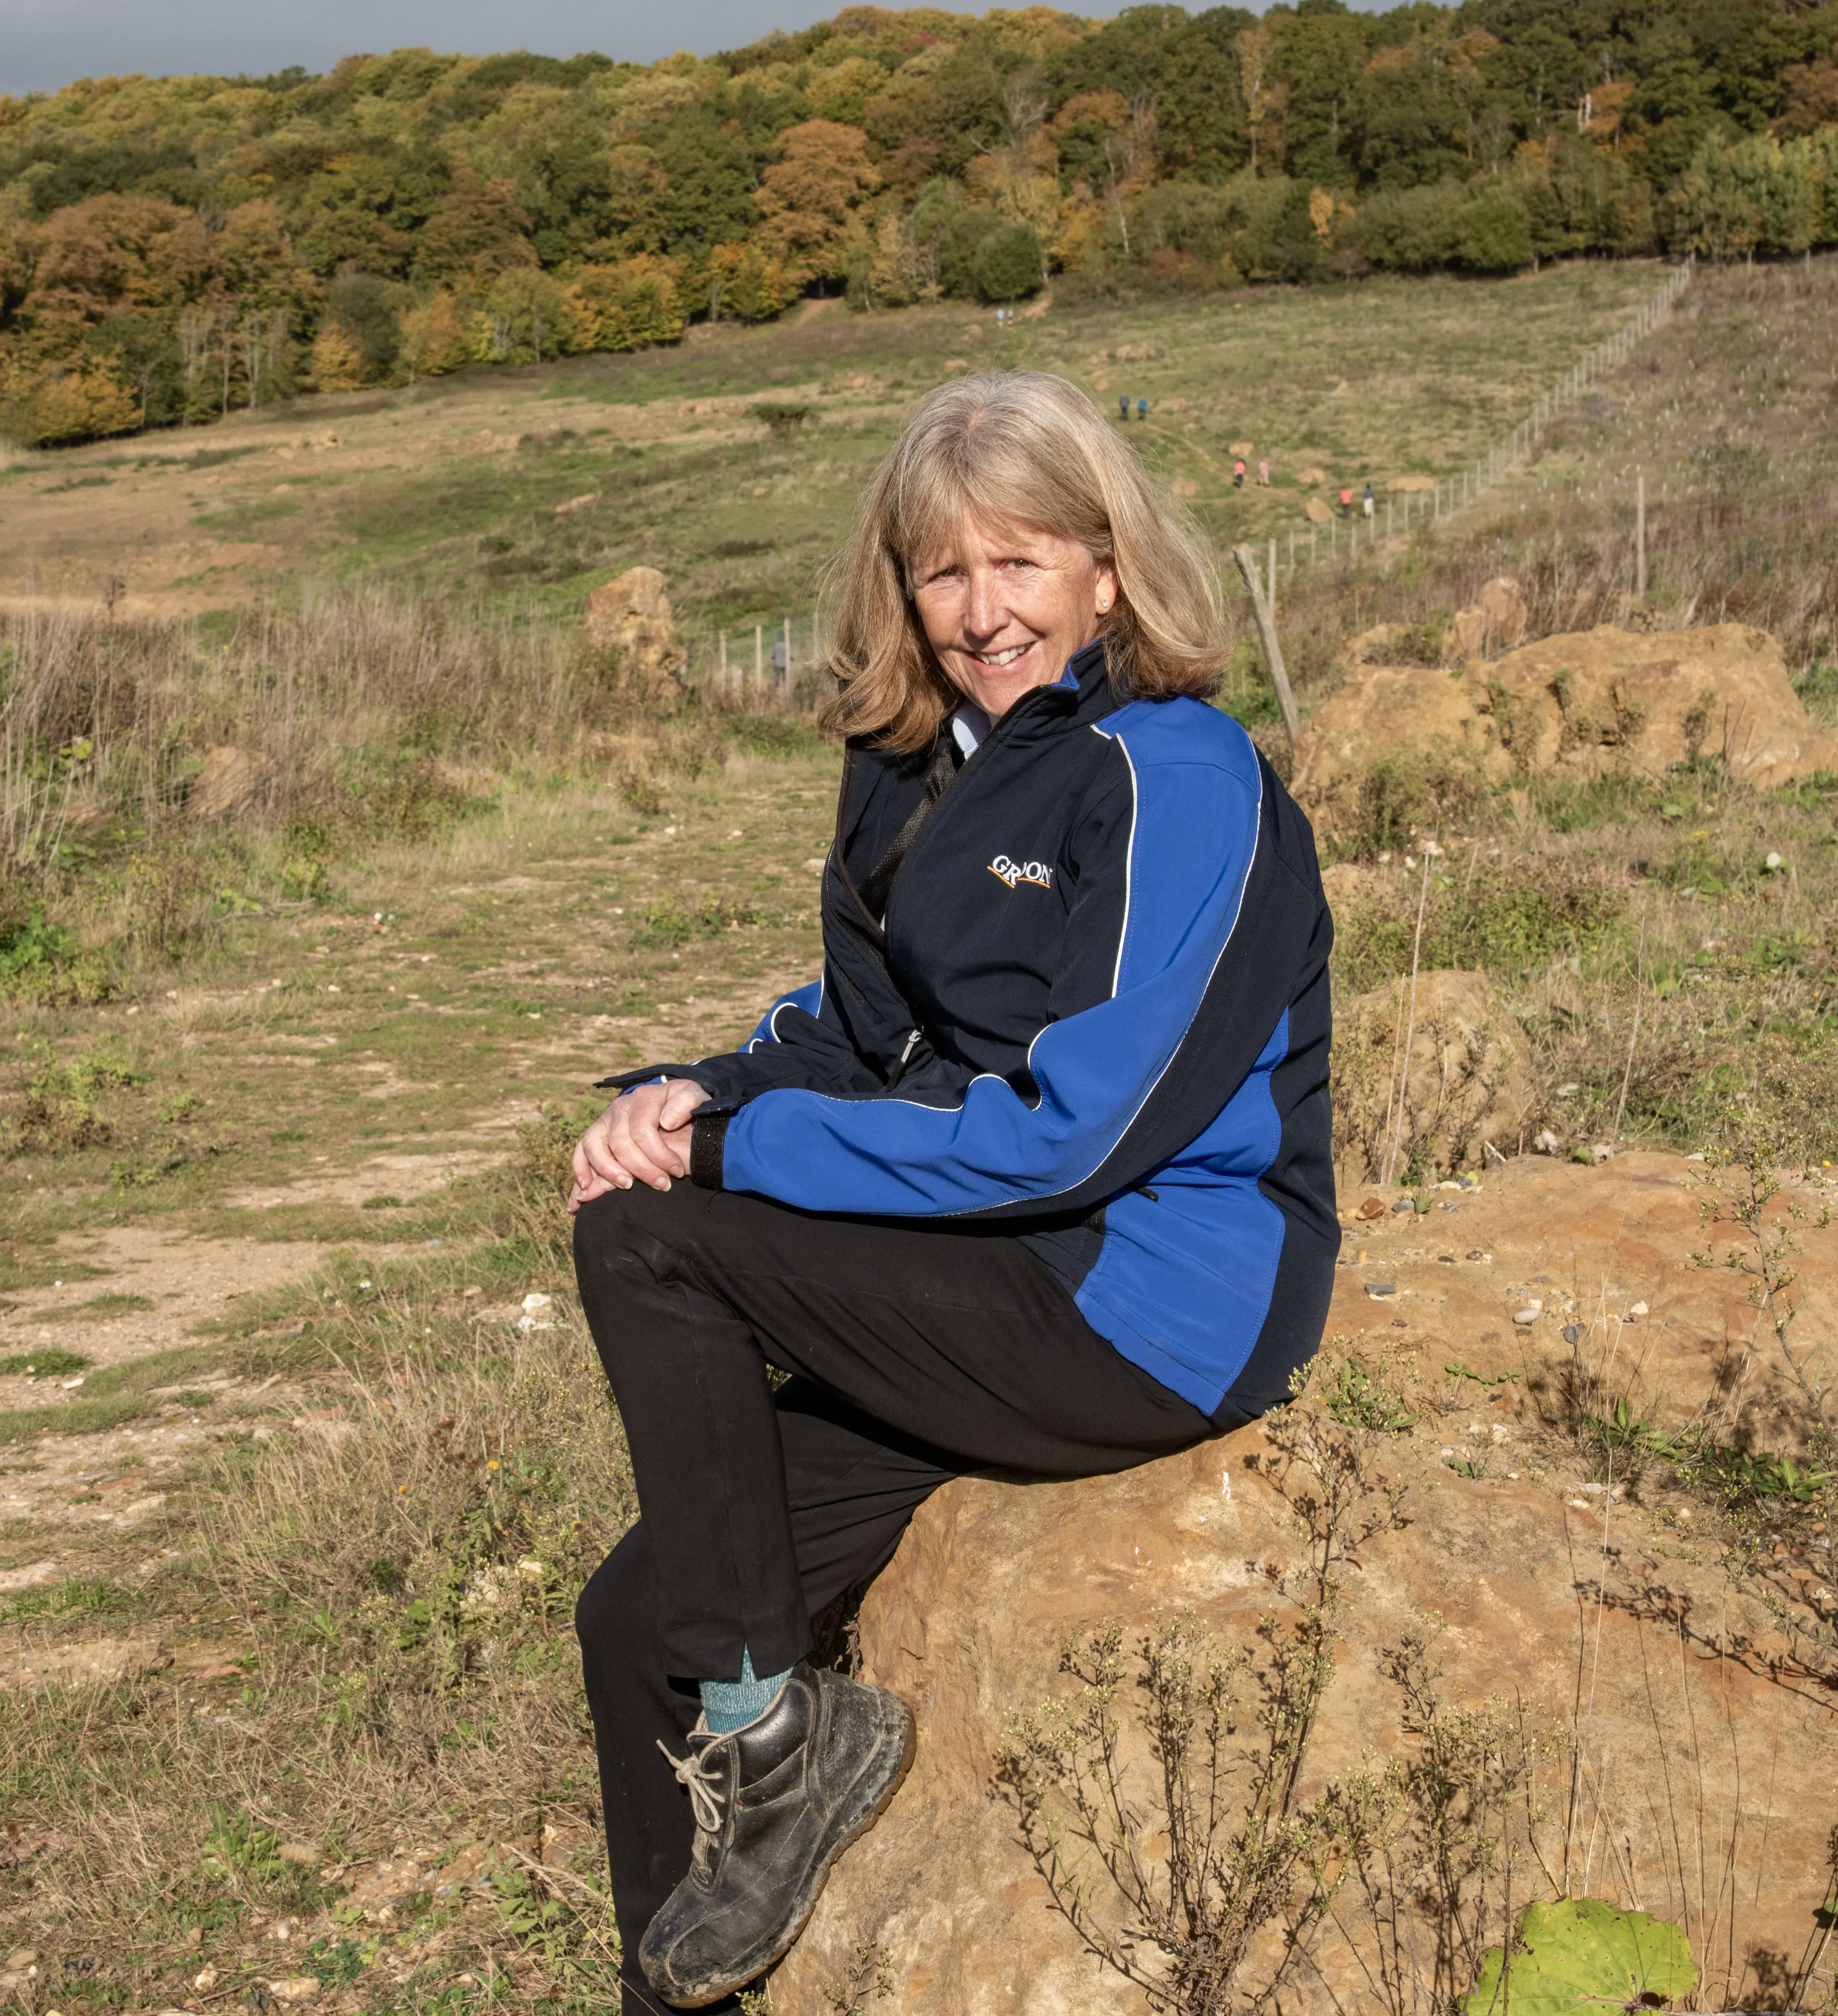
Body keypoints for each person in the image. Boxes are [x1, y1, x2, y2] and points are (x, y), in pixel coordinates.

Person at [567, 369, 1338, 2011]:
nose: (983, 612)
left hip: (1151, 1302)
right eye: (942, 570)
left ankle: (774, 1734)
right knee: (636, 1618)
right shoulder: (912, 765)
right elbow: (862, 1032)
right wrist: (699, 1093)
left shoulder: (1178, 773)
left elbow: (1077, 1134)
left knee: (651, 1237)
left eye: (1021, 562)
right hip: (994, 1275)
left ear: (1109, 568)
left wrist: (729, 1159)